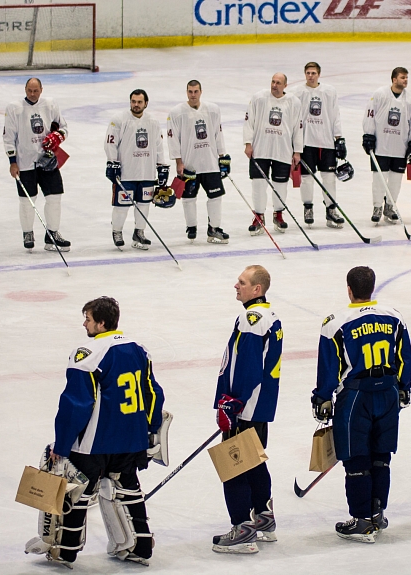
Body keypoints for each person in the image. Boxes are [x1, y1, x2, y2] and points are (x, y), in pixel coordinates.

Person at [40, 297, 165, 567]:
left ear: (102, 323)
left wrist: (61, 446)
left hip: (94, 443)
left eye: (88, 318)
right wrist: (152, 428)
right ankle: (141, 546)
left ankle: (65, 551)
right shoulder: (138, 349)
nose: (84, 323)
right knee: (128, 489)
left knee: (78, 493)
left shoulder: (87, 353)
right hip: (131, 440)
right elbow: (153, 392)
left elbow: (76, 404)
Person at [312, 266, 411, 543]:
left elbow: (328, 367)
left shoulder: (335, 321)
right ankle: (377, 512)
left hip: (356, 397)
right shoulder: (394, 317)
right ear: (373, 287)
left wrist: (322, 397)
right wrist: (404, 388)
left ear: (349, 289)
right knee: (381, 457)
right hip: (389, 393)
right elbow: (405, 356)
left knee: (357, 459)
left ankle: (361, 521)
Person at [212, 265, 282, 554]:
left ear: (257, 290)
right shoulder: (268, 316)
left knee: (234, 467)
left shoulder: (252, 318)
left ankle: (242, 528)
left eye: (242, 282)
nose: (235, 286)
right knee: (254, 461)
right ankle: (263, 518)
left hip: (245, 408)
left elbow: (249, 367)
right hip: (259, 407)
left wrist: (233, 402)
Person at [3, 77, 71, 252]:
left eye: (35, 91)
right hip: (25, 162)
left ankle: (52, 234)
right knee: (27, 200)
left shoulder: (50, 105)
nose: (32, 94)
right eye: (29, 90)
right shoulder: (14, 108)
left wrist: (58, 137)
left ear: (41, 90)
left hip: (48, 160)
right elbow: (8, 137)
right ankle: (28, 233)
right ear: (25, 89)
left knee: (55, 197)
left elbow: (63, 127)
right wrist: (12, 162)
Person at [167, 80, 230, 244]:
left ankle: (214, 228)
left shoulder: (213, 110)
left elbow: (218, 134)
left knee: (216, 196)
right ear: (186, 92)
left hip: (210, 163)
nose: (193, 95)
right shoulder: (177, 113)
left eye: (195, 91)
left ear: (201, 92)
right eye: (190, 91)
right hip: (190, 164)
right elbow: (173, 140)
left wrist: (222, 156)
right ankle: (191, 226)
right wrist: (179, 162)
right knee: (189, 198)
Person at [105, 89, 168, 250]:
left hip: (147, 171)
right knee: (122, 205)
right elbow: (110, 143)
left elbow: (158, 146)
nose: (136, 105)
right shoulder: (119, 120)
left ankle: (139, 232)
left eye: (139, 102)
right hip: (126, 172)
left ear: (146, 103)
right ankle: (117, 231)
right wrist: (112, 163)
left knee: (144, 204)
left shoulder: (153, 122)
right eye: (133, 101)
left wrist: (162, 166)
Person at [243, 74, 302, 234]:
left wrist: (297, 151)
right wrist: (248, 143)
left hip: (283, 150)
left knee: (281, 185)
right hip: (260, 149)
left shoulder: (294, 102)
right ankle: (259, 216)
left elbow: (298, 128)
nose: (274, 85)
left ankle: (279, 214)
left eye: (278, 83)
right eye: (273, 82)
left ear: (285, 85)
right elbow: (249, 121)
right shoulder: (259, 98)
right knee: (258, 184)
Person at [363, 67, 411, 224]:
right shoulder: (380, 94)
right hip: (381, 145)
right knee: (379, 179)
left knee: (395, 180)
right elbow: (370, 114)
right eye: (402, 77)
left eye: (406, 77)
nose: (405, 80)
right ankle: (377, 207)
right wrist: (368, 134)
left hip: (399, 147)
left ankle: (390, 206)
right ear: (394, 79)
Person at [294, 62, 345, 229]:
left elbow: (335, 114)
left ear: (319, 74)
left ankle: (331, 210)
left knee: (329, 179)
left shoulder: (329, 91)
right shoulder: (298, 92)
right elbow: (294, 119)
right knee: (307, 179)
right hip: (306, 143)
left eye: (313, 73)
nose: (311, 76)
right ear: (304, 74)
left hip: (326, 142)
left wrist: (339, 138)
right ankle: (308, 208)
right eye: (308, 73)